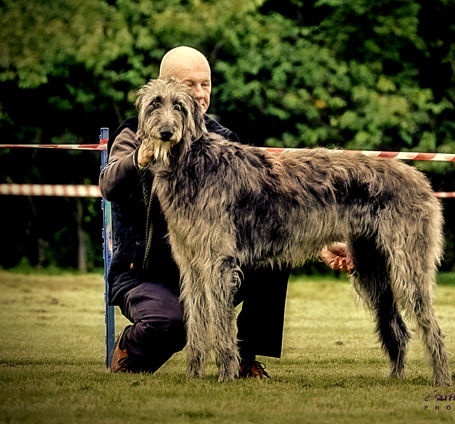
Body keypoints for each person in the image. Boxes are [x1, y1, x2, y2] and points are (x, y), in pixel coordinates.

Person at [99, 46, 353, 379]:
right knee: (173, 323)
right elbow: (109, 185)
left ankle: (243, 357)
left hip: (212, 260)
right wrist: (142, 157)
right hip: (146, 272)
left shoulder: (221, 137)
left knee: (271, 257)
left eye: (205, 84)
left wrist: (321, 240)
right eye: (190, 85)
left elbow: (264, 208)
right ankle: (130, 350)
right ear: (165, 87)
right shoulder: (134, 133)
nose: (200, 94)